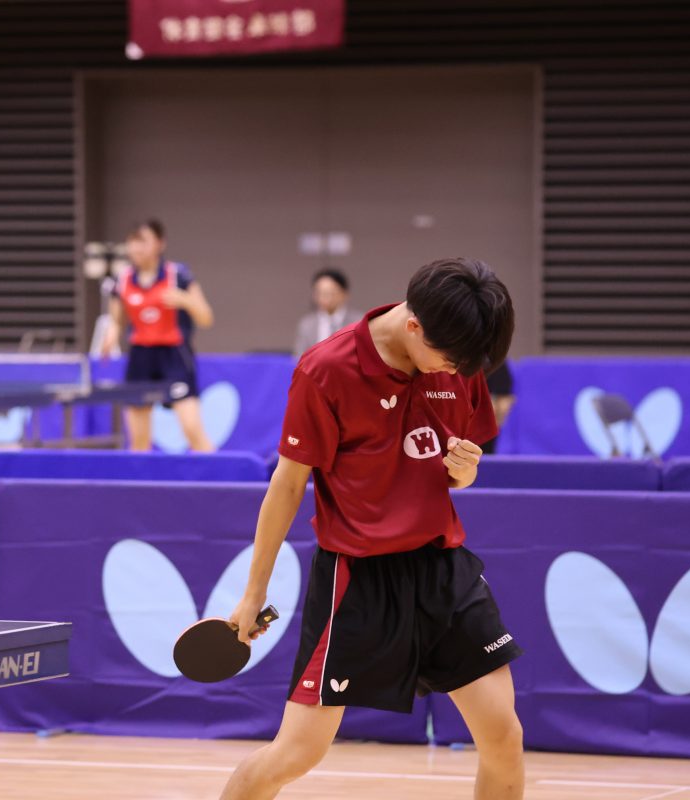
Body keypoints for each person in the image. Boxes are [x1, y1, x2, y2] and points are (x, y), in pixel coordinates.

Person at [221, 258, 522, 800]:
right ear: (413, 326)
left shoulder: (461, 363)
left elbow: (460, 476)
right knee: (295, 755)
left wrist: (467, 471)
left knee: (504, 736)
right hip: (356, 581)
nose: (455, 374)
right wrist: (252, 594)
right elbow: (287, 487)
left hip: (442, 568)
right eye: (448, 361)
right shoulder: (327, 370)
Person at [101, 219, 215, 452]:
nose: (136, 248)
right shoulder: (121, 280)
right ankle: (139, 486)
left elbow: (206, 318)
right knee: (139, 441)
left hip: (174, 356)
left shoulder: (178, 275)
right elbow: (117, 320)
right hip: (140, 357)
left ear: (160, 244)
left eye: (143, 241)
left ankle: (221, 482)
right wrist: (111, 335)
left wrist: (185, 300)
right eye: (132, 242)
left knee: (193, 430)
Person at [293, 268, 363, 356]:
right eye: (320, 293)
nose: (324, 298)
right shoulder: (307, 324)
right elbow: (300, 357)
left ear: (344, 294)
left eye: (329, 293)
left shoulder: (358, 322)